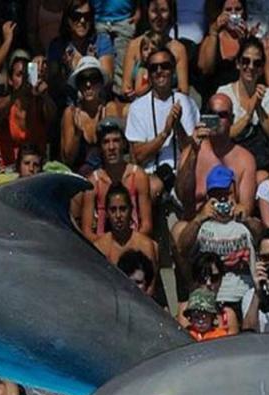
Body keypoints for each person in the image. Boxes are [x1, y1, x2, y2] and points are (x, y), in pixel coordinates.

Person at [175, 163, 259, 310]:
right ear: (208, 196)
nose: (222, 199)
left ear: (234, 192)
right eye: (216, 194)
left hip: (244, 296)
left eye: (226, 193)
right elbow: (182, 248)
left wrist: (247, 219)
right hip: (211, 297)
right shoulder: (201, 225)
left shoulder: (244, 222)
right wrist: (199, 219)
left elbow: (264, 237)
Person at [125, 45, 198, 198]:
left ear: (172, 70)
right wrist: (165, 133)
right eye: (154, 68)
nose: (159, 71)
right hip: (150, 176)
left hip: (181, 175)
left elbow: (192, 150)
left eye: (165, 66)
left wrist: (178, 126)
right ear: (149, 74)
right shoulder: (137, 107)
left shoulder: (187, 103)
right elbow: (138, 156)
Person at [214, 36, 269, 174]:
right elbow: (221, 136)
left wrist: (259, 107)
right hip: (230, 159)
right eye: (245, 61)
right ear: (238, 63)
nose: (250, 67)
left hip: (259, 163)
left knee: (262, 178)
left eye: (257, 63)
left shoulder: (268, 95)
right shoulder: (224, 93)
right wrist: (248, 116)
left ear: (262, 68)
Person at [79, 118, 153, 241]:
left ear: (123, 144)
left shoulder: (139, 176)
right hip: (102, 248)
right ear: (100, 147)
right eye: (106, 142)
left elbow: (146, 225)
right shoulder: (93, 182)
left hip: (134, 244)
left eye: (116, 141)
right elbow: (87, 232)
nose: (111, 147)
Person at [93, 183, 159, 292]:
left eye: (123, 209)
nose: (118, 215)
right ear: (107, 213)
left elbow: (150, 287)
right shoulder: (99, 247)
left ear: (131, 210)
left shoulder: (145, 245)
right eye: (113, 210)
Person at [122, 0, 189, 100]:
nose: (159, 17)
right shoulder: (134, 45)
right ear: (147, 12)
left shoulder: (179, 49)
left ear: (170, 13)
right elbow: (125, 88)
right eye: (154, 11)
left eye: (163, 11)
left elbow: (183, 90)